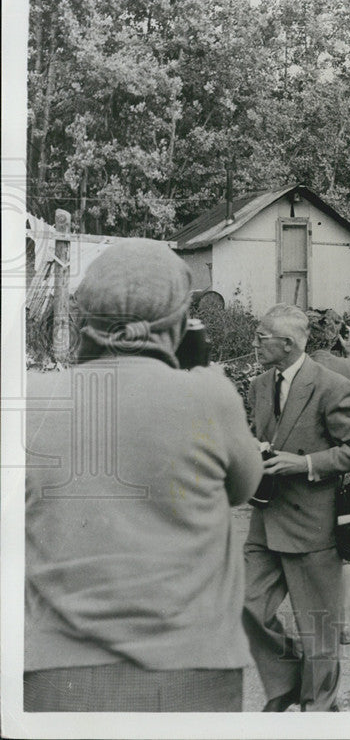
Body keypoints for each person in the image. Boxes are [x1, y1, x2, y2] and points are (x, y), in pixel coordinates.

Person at [24, 239, 263, 711]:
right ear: (178, 323)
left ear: (84, 319)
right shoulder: (210, 397)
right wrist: (198, 367)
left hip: (57, 671)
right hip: (192, 666)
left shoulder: (34, 398)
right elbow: (245, 487)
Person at [242, 303, 350, 712]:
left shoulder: (331, 385)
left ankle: (318, 709)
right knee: (247, 607)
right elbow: (259, 436)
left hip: (313, 523)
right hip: (266, 520)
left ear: (288, 343)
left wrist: (307, 464)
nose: (255, 343)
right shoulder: (259, 386)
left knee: (318, 629)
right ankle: (288, 683)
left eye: (262, 338)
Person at [309, 309, 350, 646]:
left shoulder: (293, 368)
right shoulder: (345, 366)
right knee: (346, 550)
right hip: (345, 465)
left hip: (304, 464)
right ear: (335, 336)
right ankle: (343, 624)